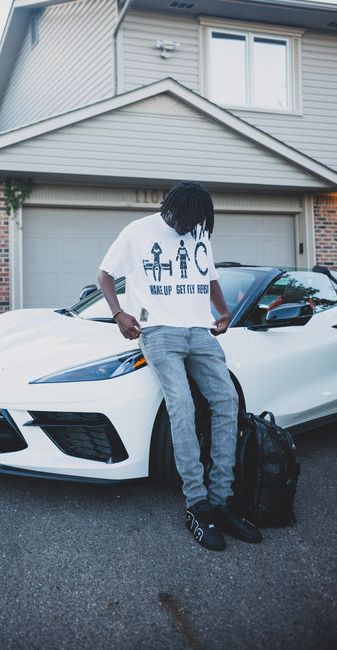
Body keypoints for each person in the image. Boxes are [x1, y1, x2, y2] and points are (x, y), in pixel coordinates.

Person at [98, 181, 262, 551]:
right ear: (171, 209)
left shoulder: (199, 230)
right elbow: (105, 275)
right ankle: (197, 504)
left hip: (199, 331)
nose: (191, 227)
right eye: (186, 219)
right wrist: (118, 313)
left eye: (197, 221)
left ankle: (222, 500)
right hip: (158, 331)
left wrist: (223, 311)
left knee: (226, 401)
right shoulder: (137, 231)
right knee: (182, 407)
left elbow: (209, 276)